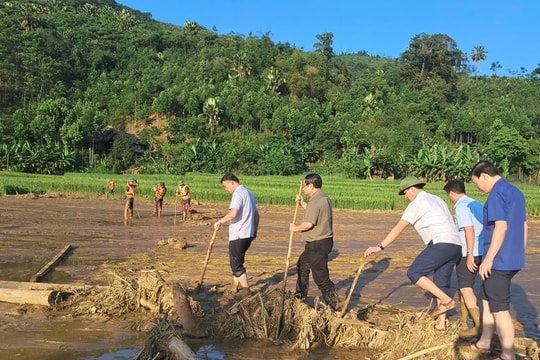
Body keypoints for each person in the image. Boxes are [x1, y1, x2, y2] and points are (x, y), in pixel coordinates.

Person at [364, 175, 462, 333]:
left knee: (414, 272)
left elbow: (399, 228)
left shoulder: (417, 203)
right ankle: (441, 325)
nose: (405, 197)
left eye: (405, 193)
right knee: (441, 283)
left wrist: (380, 246)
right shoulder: (437, 199)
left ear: (412, 189)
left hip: (440, 242)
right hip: (456, 245)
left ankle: (446, 300)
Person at [463, 161, 527, 360]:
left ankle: (508, 355)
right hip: (512, 258)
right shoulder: (516, 192)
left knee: (500, 308)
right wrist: (518, 253)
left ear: (484, 176)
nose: (478, 188)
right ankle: (484, 342)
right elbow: (524, 226)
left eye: (476, 183)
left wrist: (489, 259)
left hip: (498, 260)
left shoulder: (496, 194)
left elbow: (501, 227)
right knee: (486, 298)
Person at [289, 173, 340, 310]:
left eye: (304, 186)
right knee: (302, 265)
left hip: (318, 243)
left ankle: (333, 305)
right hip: (320, 242)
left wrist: (295, 228)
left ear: (311, 185)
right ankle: (300, 297)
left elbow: (308, 224)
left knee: (321, 277)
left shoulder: (316, 200)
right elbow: (315, 213)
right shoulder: (322, 197)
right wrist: (302, 203)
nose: (303, 188)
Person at [444, 180, 484, 338]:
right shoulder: (477, 204)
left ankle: (479, 327)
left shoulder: (461, 207)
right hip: (483, 250)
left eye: (448, 195)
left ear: (452, 193)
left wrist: (469, 254)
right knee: (464, 286)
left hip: (470, 252)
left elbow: (469, 230)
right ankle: (463, 322)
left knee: (466, 288)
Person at [213, 173, 259, 298]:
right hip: (248, 234)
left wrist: (220, 221)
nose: (226, 189)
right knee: (238, 259)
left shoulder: (238, 194)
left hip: (239, 234)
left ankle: (246, 289)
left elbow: (233, 213)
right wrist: (254, 231)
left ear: (232, 182)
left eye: (226, 186)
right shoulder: (249, 193)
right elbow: (256, 215)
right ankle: (234, 286)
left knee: (235, 264)